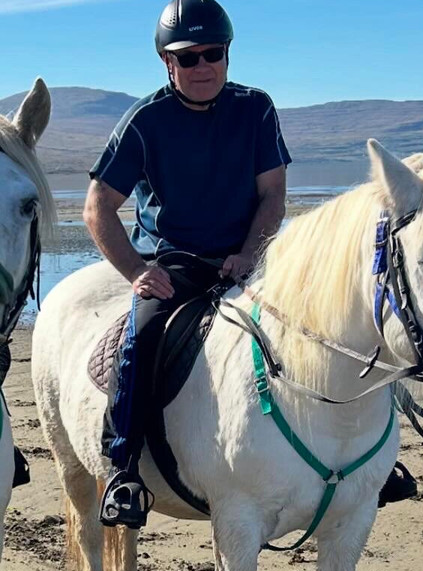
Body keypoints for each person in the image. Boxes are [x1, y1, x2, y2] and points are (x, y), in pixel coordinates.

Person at [85, 0, 290, 528]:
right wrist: (136, 272)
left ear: (227, 54)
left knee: (333, 320)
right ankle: (124, 469)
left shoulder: (257, 109)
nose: (203, 67)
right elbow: (98, 206)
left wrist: (250, 252)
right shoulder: (145, 121)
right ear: (166, 62)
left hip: (248, 259)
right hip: (174, 264)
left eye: (213, 54)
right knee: (141, 341)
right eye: (188, 57)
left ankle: (373, 462)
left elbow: (272, 196)